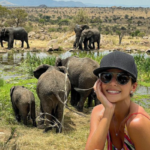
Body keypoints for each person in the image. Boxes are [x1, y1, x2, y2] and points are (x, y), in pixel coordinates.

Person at [85, 51, 150, 150]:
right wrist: (108, 111)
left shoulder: (137, 123)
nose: (113, 83)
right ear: (99, 83)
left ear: (133, 87)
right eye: (106, 77)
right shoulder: (98, 113)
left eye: (122, 78)